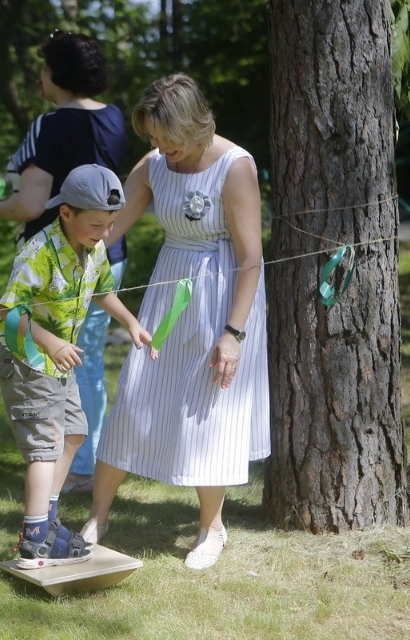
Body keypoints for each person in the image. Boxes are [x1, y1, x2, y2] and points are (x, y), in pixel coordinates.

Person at [80, 73, 270, 570]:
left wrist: (233, 334)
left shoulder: (235, 167)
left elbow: (252, 258)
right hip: (170, 288)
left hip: (224, 294)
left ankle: (212, 527)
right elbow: (106, 229)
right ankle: (97, 517)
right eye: (154, 141)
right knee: (137, 393)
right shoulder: (154, 165)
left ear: (196, 127)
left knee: (210, 409)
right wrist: (68, 263)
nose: (162, 151)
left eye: (169, 141)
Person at [0, 31, 129, 495]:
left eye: (43, 68)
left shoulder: (49, 125)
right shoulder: (117, 118)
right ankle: (84, 459)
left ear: (55, 74)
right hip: (108, 252)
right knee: (89, 360)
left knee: (47, 358)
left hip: (54, 261)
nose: (39, 76)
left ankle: (57, 463)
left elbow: (29, 203)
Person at [0, 164, 152, 569]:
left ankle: (46, 521)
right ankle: (34, 539)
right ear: (66, 212)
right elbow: (9, 313)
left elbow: (102, 291)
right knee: (45, 448)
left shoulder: (94, 247)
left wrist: (131, 322)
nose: (103, 232)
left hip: (60, 363)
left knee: (75, 433)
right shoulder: (40, 252)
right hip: (28, 360)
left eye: (110, 224)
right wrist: (52, 341)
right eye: (96, 224)